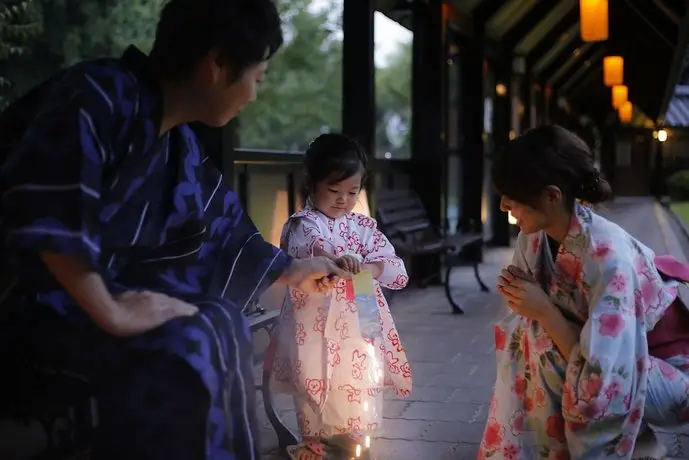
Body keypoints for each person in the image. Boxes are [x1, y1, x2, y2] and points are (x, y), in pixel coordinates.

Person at [0, 1, 348, 459]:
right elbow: (48, 207)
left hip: (90, 304)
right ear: (217, 63)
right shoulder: (97, 96)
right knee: (191, 343)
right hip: (27, 308)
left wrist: (294, 268)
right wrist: (114, 311)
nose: (253, 95)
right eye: (257, 77)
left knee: (223, 323)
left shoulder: (177, 143)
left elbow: (222, 230)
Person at [479, 125, 689, 459]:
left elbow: (603, 375)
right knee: (527, 333)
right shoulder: (533, 236)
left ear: (551, 195)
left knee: (543, 338)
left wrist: (544, 311)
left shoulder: (608, 256)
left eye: (512, 195)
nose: (503, 204)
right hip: (612, 357)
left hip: (668, 372)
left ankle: (628, 441)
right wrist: (526, 300)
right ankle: (640, 443)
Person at [267, 133, 412, 460]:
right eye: (333, 190)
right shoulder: (303, 223)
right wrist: (334, 258)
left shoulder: (364, 226)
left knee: (357, 370)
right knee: (313, 370)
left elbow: (395, 267)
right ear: (312, 182)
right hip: (315, 311)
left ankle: (354, 430)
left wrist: (371, 270)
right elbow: (311, 247)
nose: (343, 200)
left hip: (361, 305)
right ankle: (312, 437)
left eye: (352, 192)